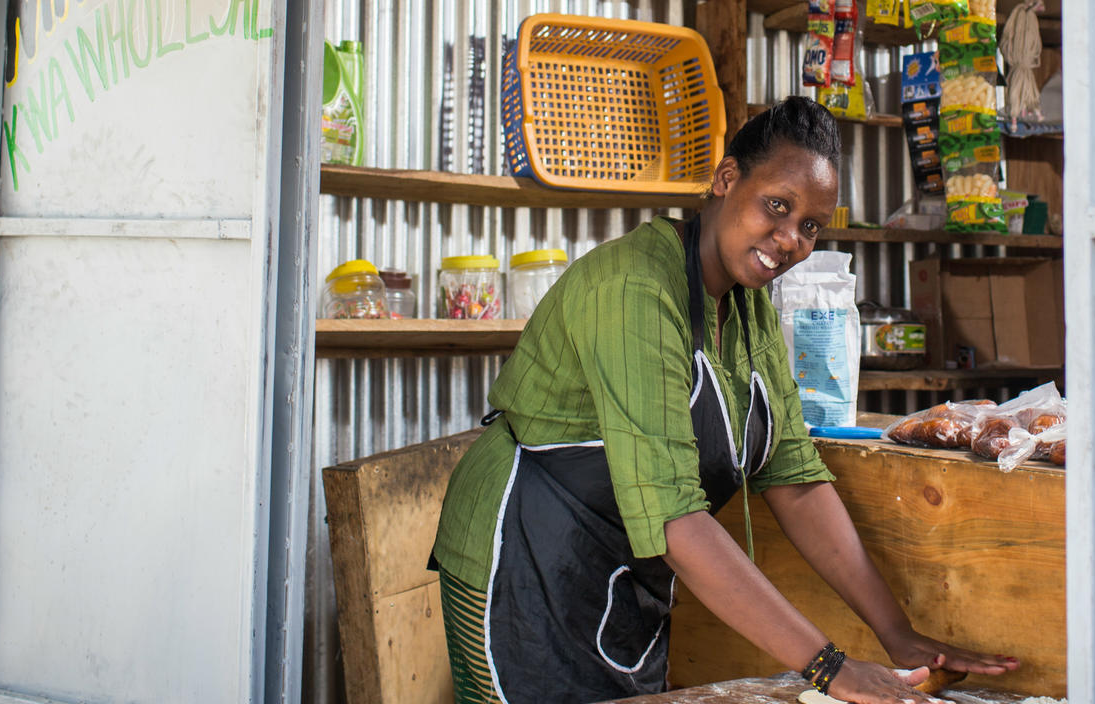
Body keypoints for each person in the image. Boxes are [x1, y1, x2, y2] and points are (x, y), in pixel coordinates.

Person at [429, 97, 1016, 704]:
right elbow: (675, 518)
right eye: (777, 206)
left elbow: (793, 476)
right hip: (522, 562)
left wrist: (897, 633)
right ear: (727, 178)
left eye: (811, 225)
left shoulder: (747, 305)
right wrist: (829, 668)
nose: (789, 239)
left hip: (622, 574)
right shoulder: (635, 292)